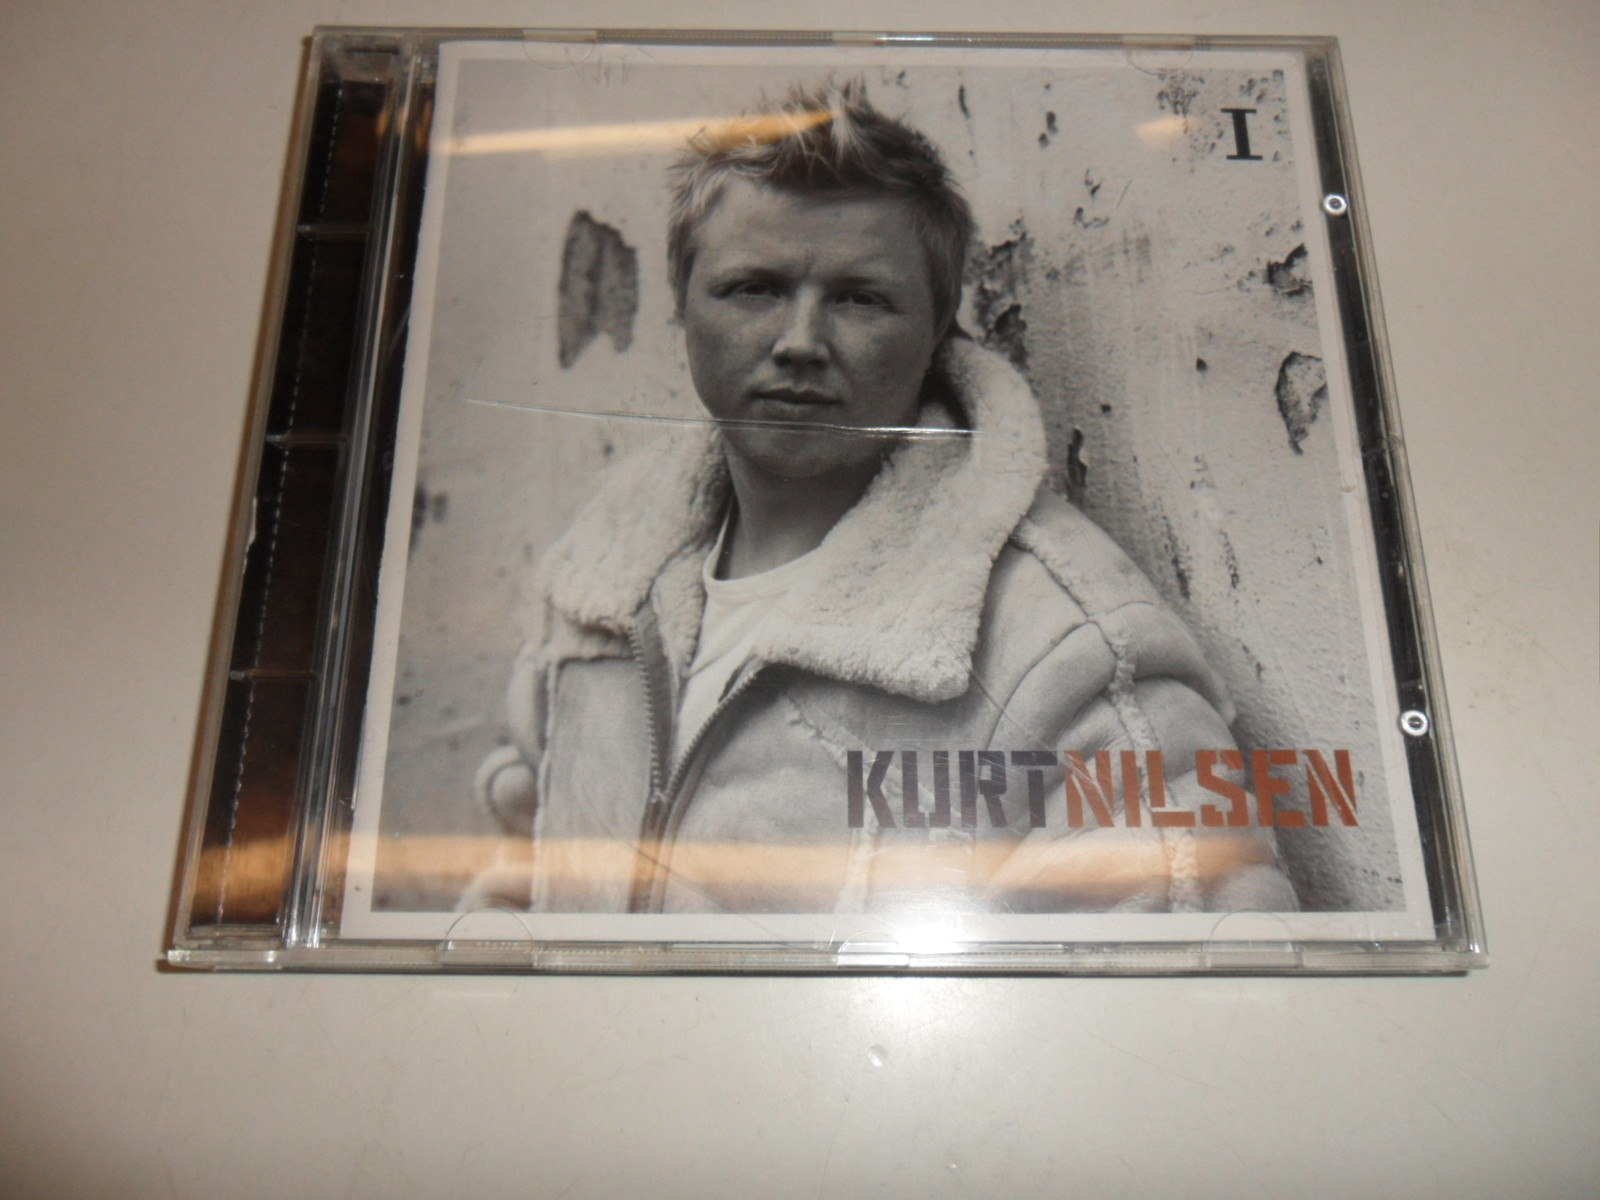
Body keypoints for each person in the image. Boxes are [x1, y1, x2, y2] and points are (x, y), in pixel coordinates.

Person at [468, 82, 1296, 916]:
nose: (799, 342)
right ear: (681, 306)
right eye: (754, 288)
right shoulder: (607, 570)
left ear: (937, 329)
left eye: (860, 299)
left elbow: (1206, 955)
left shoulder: (1063, 653)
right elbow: (523, 869)